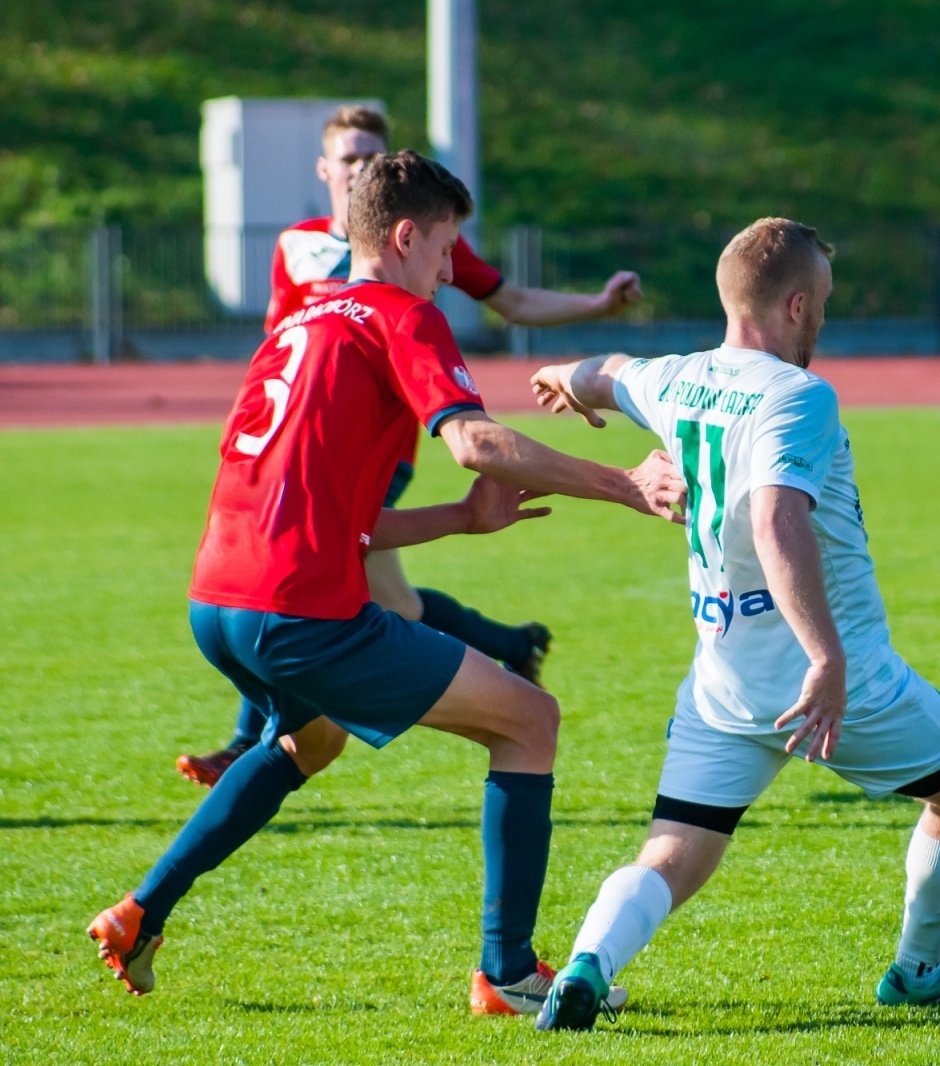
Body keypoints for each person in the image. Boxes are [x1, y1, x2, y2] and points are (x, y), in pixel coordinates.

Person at [89, 152, 682, 1017]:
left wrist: (460, 520)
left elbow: (347, 520)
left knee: (308, 741)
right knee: (529, 721)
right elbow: (476, 442)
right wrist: (623, 483)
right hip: (297, 609)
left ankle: (140, 913)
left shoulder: (298, 325)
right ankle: (508, 974)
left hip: (217, 599)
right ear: (406, 238)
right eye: (445, 251)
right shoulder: (400, 314)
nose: (450, 273)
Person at [524, 218, 940, 1031]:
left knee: (674, 853)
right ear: (793, 304)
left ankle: (586, 965)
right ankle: (920, 972)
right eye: (819, 303)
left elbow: (608, 372)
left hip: (724, 682)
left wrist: (560, 377)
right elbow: (777, 517)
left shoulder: (676, 377)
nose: (822, 319)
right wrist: (826, 659)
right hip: (833, 681)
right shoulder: (799, 395)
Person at [177, 105, 645, 786]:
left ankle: (254, 744)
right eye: (349, 156)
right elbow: (281, 345)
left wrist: (596, 305)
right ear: (325, 169)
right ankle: (510, 644)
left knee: (314, 587)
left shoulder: (427, 242)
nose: (361, 165)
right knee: (375, 602)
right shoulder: (295, 246)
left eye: (373, 153)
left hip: (378, 452)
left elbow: (509, 301)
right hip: (306, 449)